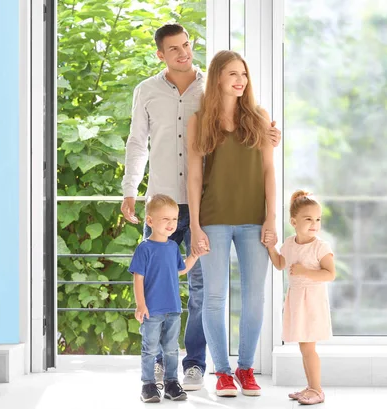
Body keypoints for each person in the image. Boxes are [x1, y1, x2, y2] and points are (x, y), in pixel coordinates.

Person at [121, 23, 282, 391]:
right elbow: (137, 143)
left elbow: (262, 154)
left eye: (187, 45)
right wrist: (129, 189)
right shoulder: (148, 92)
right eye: (174, 48)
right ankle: (162, 365)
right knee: (164, 284)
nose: (183, 53)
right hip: (166, 201)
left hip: (210, 210)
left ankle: (198, 364)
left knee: (203, 290)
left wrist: (270, 135)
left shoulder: (213, 90)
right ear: (160, 53)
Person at [187, 50, 277, 397]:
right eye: (232, 75)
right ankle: (222, 372)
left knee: (254, 298)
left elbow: (269, 170)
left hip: (255, 220)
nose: (240, 80)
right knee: (213, 298)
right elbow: (194, 177)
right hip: (213, 220)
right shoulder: (200, 121)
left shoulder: (259, 117)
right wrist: (194, 225)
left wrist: (271, 217)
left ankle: (245, 369)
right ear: (217, 79)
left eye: (244, 74)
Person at [131, 194, 206, 403]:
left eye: (174, 219)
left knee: (172, 349)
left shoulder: (173, 247)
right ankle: (148, 385)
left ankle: (171, 382)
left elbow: (180, 271)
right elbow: (138, 278)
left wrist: (195, 256)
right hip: (152, 310)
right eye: (165, 219)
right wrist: (141, 304)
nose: (171, 224)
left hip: (173, 308)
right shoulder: (144, 248)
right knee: (150, 348)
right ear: (150, 221)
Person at [264, 190, 336, 405]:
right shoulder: (290, 243)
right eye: (308, 219)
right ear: (294, 221)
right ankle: (311, 387)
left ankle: (317, 389)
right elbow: (279, 264)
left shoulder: (320, 247)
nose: (314, 224)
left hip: (312, 301)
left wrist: (305, 272)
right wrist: (270, 246)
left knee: (308, 347)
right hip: (297, 299)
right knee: (304, 347)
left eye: (317, 219)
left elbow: (329, 274)